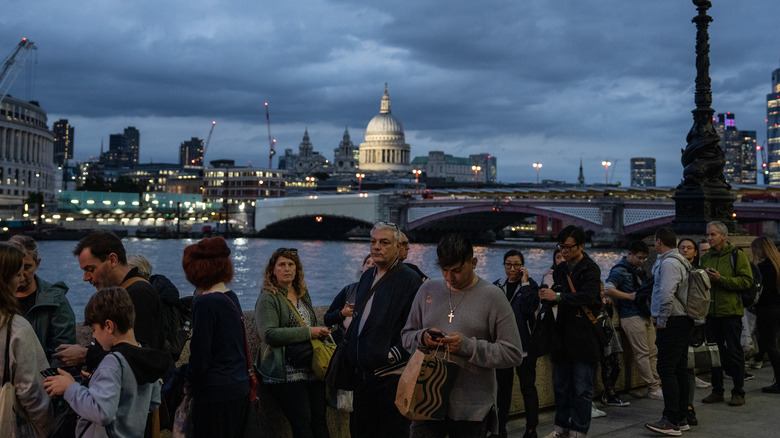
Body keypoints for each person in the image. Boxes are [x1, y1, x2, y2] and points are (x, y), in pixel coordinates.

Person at [402, 234, 523, 438]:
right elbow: (406, 336)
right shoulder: (427, 290)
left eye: (457, 270)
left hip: (472, 409)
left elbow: (513, 353)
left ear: (473, 262)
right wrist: (423, 337)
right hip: (426, 402)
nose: (450, 277)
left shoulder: (493, 296)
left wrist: (467, 347)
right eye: (445, 270)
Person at [44, 286, 168, 438]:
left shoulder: (112, 362)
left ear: (108, 326)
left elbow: (102, 412)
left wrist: (70, 387)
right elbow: (153, 402)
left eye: (94, 329)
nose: (94, 336)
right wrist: (97, 384)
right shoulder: (144, 357)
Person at [346, 221, 423, 438]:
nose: (376, 247)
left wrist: (390, 356)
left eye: (384, 242)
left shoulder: (409, 279)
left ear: (398, 247)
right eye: (373, 241)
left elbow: (415, 326)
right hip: (362, 376)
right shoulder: (366, 277)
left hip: (390, 378)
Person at [55, 231, 166, 370]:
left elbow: (141, 354)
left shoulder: (139, 292)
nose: (85, 278)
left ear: (113, 260)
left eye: (90, 269)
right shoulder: (130, 290)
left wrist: (85, 354)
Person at [182, 237, 254, 437]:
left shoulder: (205, 303)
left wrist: (188, 383)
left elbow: (201, 356)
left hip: (216, 392)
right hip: (237, 387)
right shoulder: (230, 296)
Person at [255, 247, 330, 438]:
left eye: (291, 264)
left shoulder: (302, 293)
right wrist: (308, 332)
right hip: (284, 372)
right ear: (273, 270)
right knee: (302, 425)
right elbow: (269, 334)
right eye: (282, 265)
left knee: (320, 423)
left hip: (311, 367)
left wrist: (318, 331)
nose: (287, 268)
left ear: (297, 269)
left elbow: (310, 323)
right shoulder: (268, 297)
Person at [539, 226, 602, 438]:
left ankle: (579, 429)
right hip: (562, 334)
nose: (563, 251)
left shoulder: (591, 269)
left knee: (582, 388)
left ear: (581, 246)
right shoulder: (561, 269)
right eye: (561, 247)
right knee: (560, 386)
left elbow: (589, 296)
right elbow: (559, 291)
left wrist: (557, 298)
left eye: (568, 247)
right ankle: (561, 427)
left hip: (584, 335)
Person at [644, 227, 694, 436]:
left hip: (673, 321)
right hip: (682, 320)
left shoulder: (670, 263)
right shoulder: (680, 260)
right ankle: (681, 417)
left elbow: (666, 295)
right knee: (679, 368)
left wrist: (661, 321)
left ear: (658, 242)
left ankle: (670, 420)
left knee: (666, 369)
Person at [0, 242, 52, 437]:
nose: (20, 280)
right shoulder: (16, 328)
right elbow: (33, 393)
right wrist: (46, 430)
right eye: (16, 274)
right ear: (5, 280)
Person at [699, 221, 752, 407]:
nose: (709, 238)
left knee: (734, 352)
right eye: (707, 235)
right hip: (711, 313)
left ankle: (738, 392)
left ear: (724, 236)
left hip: (730, 312)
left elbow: (746, 282)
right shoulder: (706, 258)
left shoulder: (737, 255)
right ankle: (717, 391)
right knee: (714, 353)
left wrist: (721, 280)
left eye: (713, 234)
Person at [603, 240, 662, 402]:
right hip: (630, 315)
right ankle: (653, 387)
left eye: (644, 258)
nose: (641, 261)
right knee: (643, 353)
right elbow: (607, 288)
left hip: (644, 314)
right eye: (639, 257)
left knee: (653, 352)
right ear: (630, 254)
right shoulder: (619, 271)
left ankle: (658, 383)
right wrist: (629, 296)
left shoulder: (637, 270)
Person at [492, 249, 541, 438]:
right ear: (504, 265)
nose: (512, 269)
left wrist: (525, 282)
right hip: (502, 344)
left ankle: (531, 429)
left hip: (524, 345)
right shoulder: (497, 287)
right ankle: (499, 429)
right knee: (501, 389)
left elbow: (530, 308)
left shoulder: (530, 286)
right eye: (508, 264)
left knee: (528, 387)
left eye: (517, 265)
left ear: (523, 266)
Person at [8, 235, 77, 366]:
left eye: (27, 267)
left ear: (37, 264)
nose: (21, 273)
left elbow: (62, 352)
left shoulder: (55, 299)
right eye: (16, 267)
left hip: (42, 378)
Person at [749, 236, 780, 394]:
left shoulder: (762, 267)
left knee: (770, 346)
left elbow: (761, 292)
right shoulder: (778, 264)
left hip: (767, 311)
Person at [324, 254, 374, 344]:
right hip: (342, 340)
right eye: (367, 262)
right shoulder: (349, 289)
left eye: (374, 264)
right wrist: (342, 313)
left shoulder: (384, 291)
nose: (369, 266)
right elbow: (327, 319)